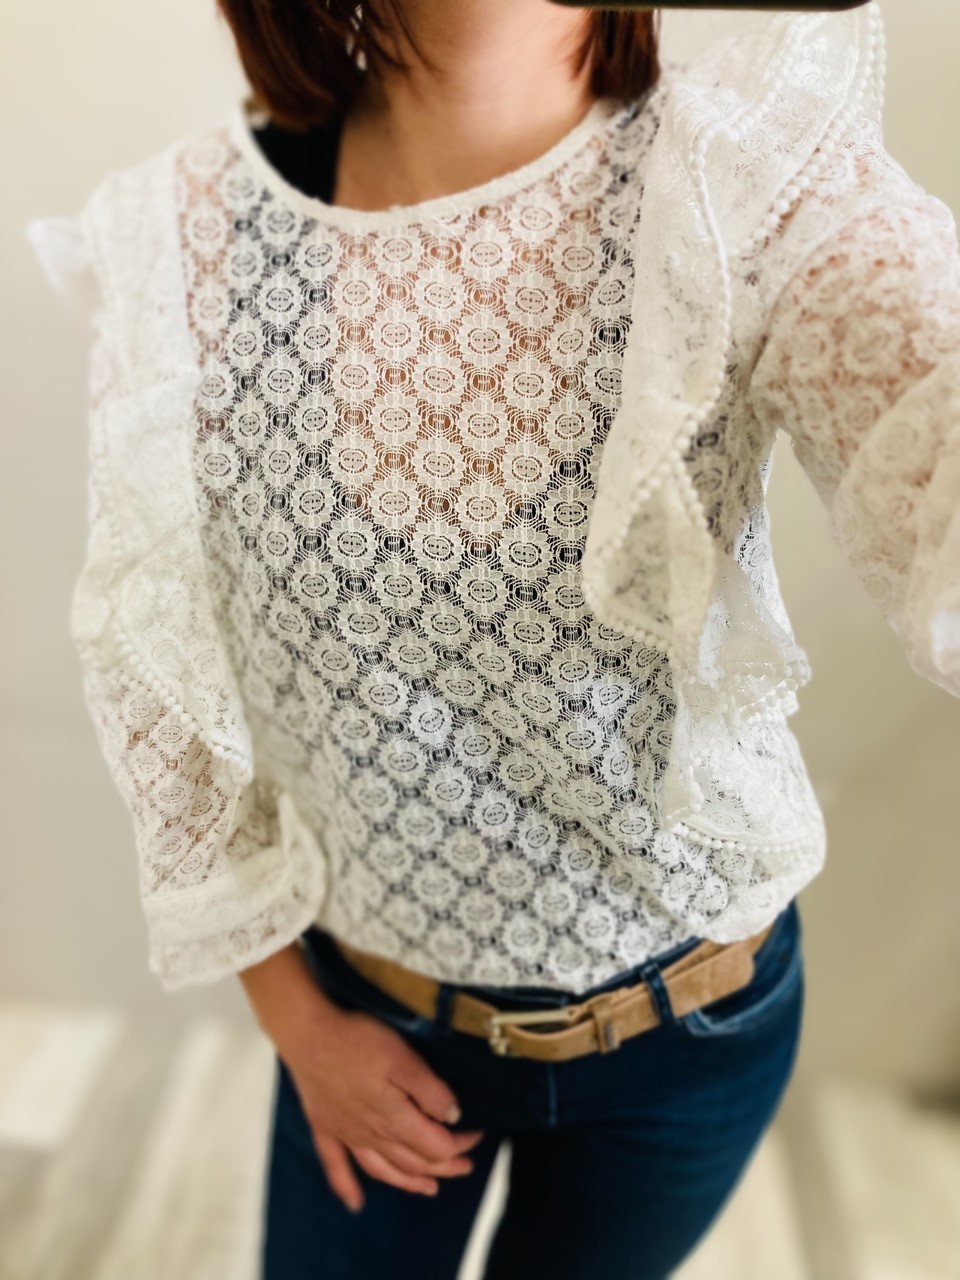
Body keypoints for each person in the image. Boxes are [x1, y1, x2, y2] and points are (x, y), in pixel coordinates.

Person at [26, 1, 960, 1277]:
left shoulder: (753, 181)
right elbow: (158, 689)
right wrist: (295, 1018)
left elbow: (929, 388)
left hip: (688, 1037)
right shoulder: (184, 237)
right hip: (367, 1020)